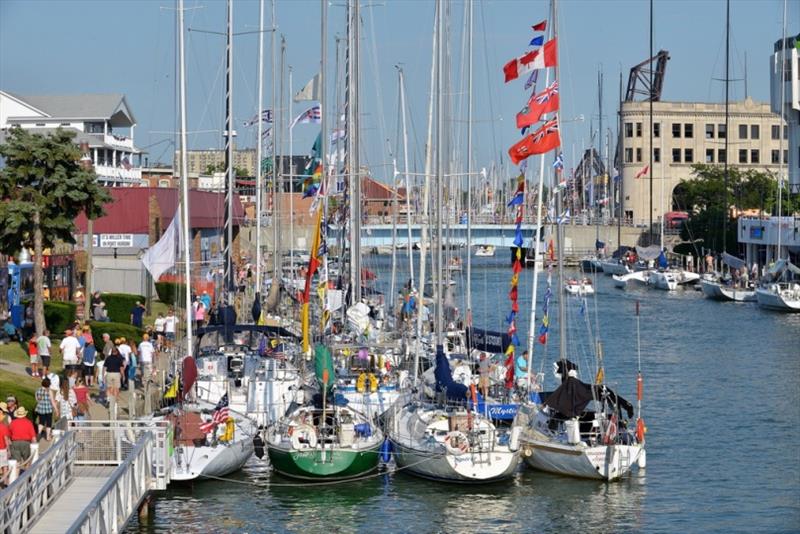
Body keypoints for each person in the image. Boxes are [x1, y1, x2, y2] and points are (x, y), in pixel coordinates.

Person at [0, 402, 10, 480]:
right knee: (5, 465)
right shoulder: (3, 426)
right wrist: (8, 449)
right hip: (2, 448)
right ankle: (5, 480)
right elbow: (6, 439)